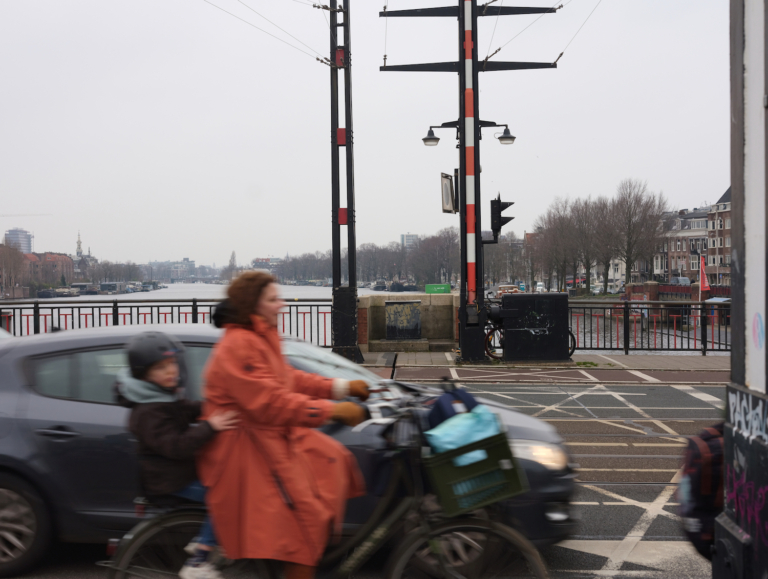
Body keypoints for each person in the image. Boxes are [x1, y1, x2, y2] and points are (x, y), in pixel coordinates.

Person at [198, 272, 369, 579]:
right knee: (306, 522)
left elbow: (289, 378)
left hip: (267, 442)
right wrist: (332, 410)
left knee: (333, 463)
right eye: (273, 299)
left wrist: (342, 387)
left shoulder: (259, 337)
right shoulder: (239, 345)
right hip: (247, 452)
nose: (282, 305)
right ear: (253, 304)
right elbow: (270, 402)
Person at [116, 331, 238, 579]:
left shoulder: (160, 395)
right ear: (144, 374)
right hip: (168, 480)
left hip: (178, 472)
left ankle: (210, 541)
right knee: (224, 495)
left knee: (231, 483)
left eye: (171, 363)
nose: (171, 371)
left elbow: (187, 409)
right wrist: (211, 426)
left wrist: (216, 406)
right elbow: (176, 446)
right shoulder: (147, 411)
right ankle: (200, 556)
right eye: (161, 367)